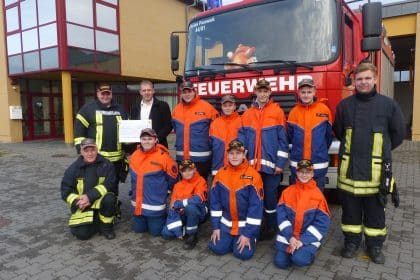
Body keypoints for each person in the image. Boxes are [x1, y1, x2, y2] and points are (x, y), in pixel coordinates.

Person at [333, 62, 405, 264]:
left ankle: (374, 247)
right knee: (350, 214)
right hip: (350, 174)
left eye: (367, 78)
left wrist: (379, 152)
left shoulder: (388, 105)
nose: (363, 82)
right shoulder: (344, 106)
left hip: (376, 174)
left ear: (375, 79)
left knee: (375, 215)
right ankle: (351, 243)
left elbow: (398, 134)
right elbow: (339, 132)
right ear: (354, 81)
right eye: (359, 79)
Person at [238, 78, 289, 239]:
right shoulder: (247, 114)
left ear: (269, 92)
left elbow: (283, 140)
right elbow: (242, 140)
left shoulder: (277, 112)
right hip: (252, 167)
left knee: (270, 198)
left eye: (265, 91)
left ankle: (271, 227)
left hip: (272, 167)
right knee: (254, 197)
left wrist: (280, 164)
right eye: (260, 91)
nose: (262, 94)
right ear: (256, 92)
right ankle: (256, 225)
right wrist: (242, 162)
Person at [209, 140, 264, 260]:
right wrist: (216, 227)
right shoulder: (220, 174)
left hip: (245, 227)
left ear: (244, 154)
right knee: (216, 248)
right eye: (231, 153)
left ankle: (253, 236)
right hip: (226, 224)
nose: (234, 156)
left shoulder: (254, 176)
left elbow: (255, 209)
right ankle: (229, 239)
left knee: (242, 254)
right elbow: (215, 203)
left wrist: (247, 235)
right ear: (227, 155)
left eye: (238, 153)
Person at [274, 159, 331, 269]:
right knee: (280, 263)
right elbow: (281, 218)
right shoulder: (287, 192)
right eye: (301, 172)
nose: (304, 175)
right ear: (296, 172)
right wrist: (290, 237)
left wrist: (302, 241)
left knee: (299, 259)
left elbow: (322, 224)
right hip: (289, 236)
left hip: (307, 238)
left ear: (312, 174)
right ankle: (295, 252)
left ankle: (305, 254)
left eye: (308, 172)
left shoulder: (318, 196)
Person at [73, 83, 128, 196]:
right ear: (97, 94)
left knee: (113, 185)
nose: (105, 96)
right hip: (96, 158)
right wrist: (82, 152)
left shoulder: (120, 109)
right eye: (102, 94)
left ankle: (113, 207)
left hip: (116, 160)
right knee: (95, 185)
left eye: (108, 94)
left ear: (111, 94)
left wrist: (129, 148)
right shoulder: (88, 109)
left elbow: (127, 131)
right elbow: (79, 134)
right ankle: (96, 209)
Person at [61, 138, 117, 240]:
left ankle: (106, 228)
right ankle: (97, 222)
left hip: (100, 201)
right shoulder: (73, 169)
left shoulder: (106, 164)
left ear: (97, 150)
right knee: (82, 235)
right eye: (86, 151)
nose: (90, 153)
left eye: (92, 150)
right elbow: (65, 191)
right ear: (81, 152)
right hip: (83, 205)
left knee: (110, 199)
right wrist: (78, 201)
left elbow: (110, 183)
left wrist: (89, 197)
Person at [129, 128, 178, 236]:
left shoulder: (164, 157)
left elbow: (173, 179)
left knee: (155, 233)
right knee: (138, 230)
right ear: (140, 140)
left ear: (156, 140)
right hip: (138, 205)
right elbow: (133, 179)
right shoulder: (134, 155)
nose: (147, 141)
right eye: (144, 139)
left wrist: (165, 191)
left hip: (155, 205)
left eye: (150, 139)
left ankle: (164, 217)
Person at [287, 78, 333, 191]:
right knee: (297, 200)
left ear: (314, 92)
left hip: (318, 164)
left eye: (309, 92)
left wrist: (320, 150)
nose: (306, 95)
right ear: (299, 93)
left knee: (316, 199)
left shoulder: (324, 110)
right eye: (303, 92)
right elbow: (290, 137)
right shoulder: (293, 112)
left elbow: (328, 136)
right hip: (298, 165)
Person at [172, 81, 218, 179]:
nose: (187, 94)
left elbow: (216, 130)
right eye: (184, 92)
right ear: (181, 93)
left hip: (201, 160)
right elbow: (176, 129)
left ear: (194, 91)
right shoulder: (176, 110)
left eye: (189, 91)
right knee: (184, 188)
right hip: (182, 158)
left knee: (200, 187)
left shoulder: (207, 108)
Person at [161, 160, 208, 250]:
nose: (187, 173)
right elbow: (173, 205)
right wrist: (177, 210)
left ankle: (192, 235)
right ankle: (182, 228)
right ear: (180, 172)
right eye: (184, 171)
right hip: (181, 213)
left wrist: (182, 204)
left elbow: (198, 199)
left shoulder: (200, 181)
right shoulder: (177, 185)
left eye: (190, 170)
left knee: (191, 208)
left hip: (199, 212)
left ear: (194, 169)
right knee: (166, 234)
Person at [130, 80, 173, 148]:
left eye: (149, 90)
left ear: (153, 91)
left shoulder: (163, 106)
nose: (147, 92)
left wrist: (157, 138)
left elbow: (169, 125)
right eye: (144, 90)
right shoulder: (135, 107)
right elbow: (133, 126)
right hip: (140, 147)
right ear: (140, 92)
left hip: (158, 145)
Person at [209, 94, 242, 175]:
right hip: (218, 168)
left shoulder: (241, 122)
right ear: (221, 107)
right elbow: (210, 144)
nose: (227, 108)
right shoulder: (215, 123)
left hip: (237, 167)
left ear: (234, 106)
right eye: (225, 105)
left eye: (230, 105)